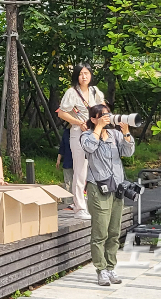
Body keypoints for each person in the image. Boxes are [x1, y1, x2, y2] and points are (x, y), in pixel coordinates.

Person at [81, 104, 135, 286]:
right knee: (100, 232)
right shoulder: (86, 135)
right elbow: (89, 148)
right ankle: (101, 269)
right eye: (102, 115)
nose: (107, 118)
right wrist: (97, 128)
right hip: (98, 188)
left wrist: (126, 132)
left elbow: (129, 152)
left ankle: (111, 267)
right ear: (94, 118)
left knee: (114, 232)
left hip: (117, 188)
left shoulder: (115, 135)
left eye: (108, 114)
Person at [57, 63, 105, 220]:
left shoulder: (94, 91)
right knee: (80, 170)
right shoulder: (72, 92)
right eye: (81, 74)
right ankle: (79, 207)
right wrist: (78, 122)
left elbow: (103, 108)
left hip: (95, 133)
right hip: (78, 133)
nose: (84, 76)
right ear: (76, 76)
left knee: (95, 169)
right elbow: (62, 113)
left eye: (87, 73)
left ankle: (91, 203)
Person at [56, 126, 74, 200]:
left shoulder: (83, 131)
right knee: (68, 182)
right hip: (67, 161)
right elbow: (62, 147)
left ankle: (78, 202)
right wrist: (58, 159)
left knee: (78, 183)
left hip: (80, 162)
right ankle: (68, 202)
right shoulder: (66, 132)